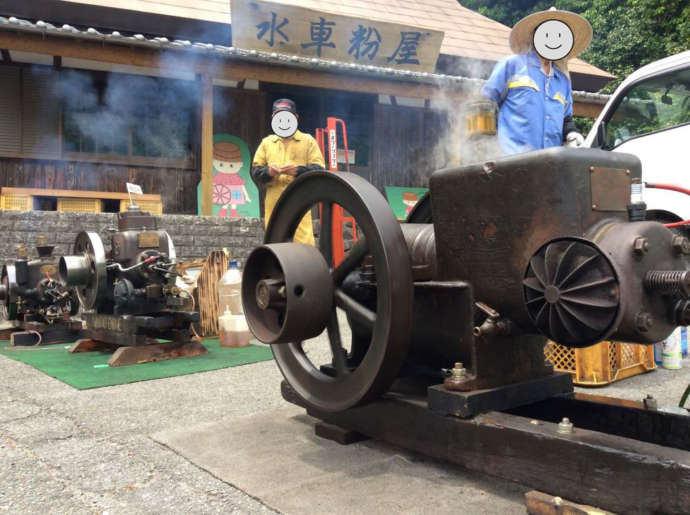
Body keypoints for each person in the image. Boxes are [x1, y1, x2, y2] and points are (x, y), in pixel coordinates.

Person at [481, 7, 592, 155]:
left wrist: (571, 134)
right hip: (511, 162)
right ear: (534, 36)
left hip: (549, 166)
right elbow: (484, 103)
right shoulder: (512, 65)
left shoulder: (562, 82)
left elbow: (566, 120)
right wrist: (486, 147)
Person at [251, 99, 325, 245]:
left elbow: (319, 170)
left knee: (303, 244)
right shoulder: (267, 143)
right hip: (274, 205)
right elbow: (255, 172)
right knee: (275, 244)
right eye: (279, 116)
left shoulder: (307, 141)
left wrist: (297, 171)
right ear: (273, 118)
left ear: (296, 118)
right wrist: (269, 172)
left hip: (300, 202)